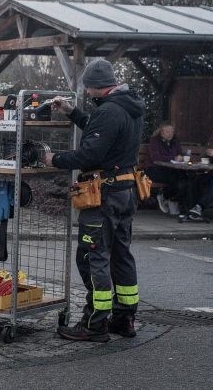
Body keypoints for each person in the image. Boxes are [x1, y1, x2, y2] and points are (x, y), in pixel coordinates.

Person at [45, 59, 144, 342]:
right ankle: (124, 318)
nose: (87, 92)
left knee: (93, 256)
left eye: (88, 88)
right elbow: (102, 134)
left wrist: (55, 159)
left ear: (95, 86)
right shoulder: (129, 106)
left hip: (104, 195)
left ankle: (94, 323)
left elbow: (90, 154)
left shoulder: (110, 111)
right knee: (121, 254)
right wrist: (73, 112)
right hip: (125, 191)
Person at [145, 121, 186, 215]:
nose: (170, 134)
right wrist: (173, 158)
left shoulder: (175, 141)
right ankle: (168, 198)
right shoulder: (154, 141)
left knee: (185, 177)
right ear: (161, 132)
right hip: (153, 170)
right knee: (174, 178)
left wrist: (181, 157)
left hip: (171, 169)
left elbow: (180, 153)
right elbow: (155, 158)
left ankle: (168, 197)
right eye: (167, 132)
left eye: (171, 132)